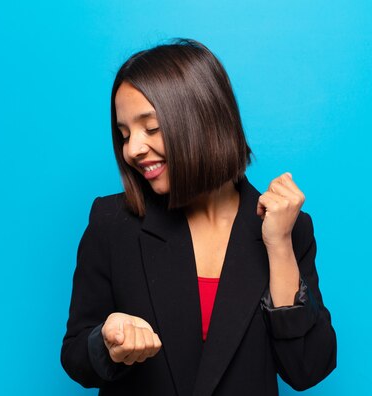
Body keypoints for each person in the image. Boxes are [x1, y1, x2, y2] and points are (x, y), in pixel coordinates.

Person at [61, 38, 337, 396]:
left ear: (202, 119)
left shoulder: (287, 228)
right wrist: (107, 340)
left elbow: (307, 369)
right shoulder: (112, 222)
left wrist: (279, 246)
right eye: (124, 133)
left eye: (152, 128)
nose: (132, 149)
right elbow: (75, 355)